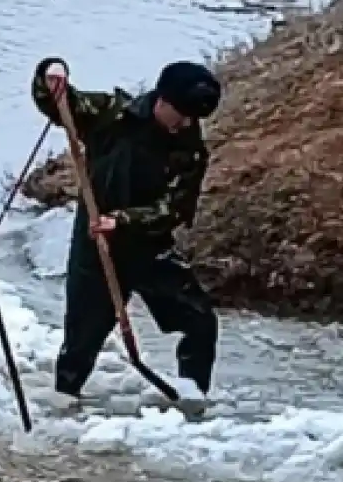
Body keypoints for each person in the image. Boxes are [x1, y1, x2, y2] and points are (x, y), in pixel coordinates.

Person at [30, 57, 223, 401]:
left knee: (199, 320)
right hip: (96, 245)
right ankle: (64, 401)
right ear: (162, 101)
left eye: (194, 118)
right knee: (81, 339)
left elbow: (173, 209)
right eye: (181, 115)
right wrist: (50, 74)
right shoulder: (112, 115)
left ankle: (193, 395)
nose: (186, 124)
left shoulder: (190, 150)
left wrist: (122, 221)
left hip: (149, 246)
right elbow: (62, 104)